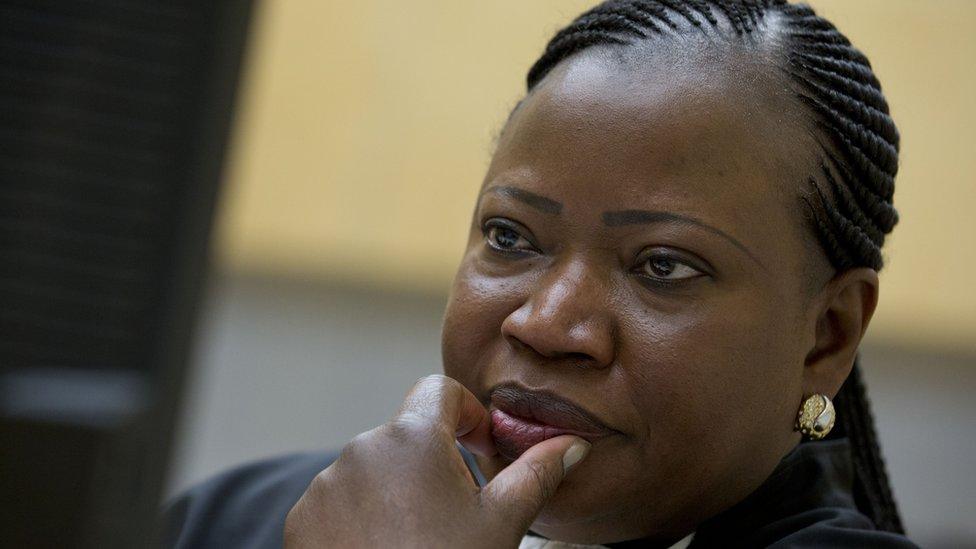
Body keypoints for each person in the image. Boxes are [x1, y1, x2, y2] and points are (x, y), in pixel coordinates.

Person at [165, 1, 918, 547]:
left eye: (663, 265)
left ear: (826, 335)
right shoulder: (243, 520)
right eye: (510, 235)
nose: (545, 323)